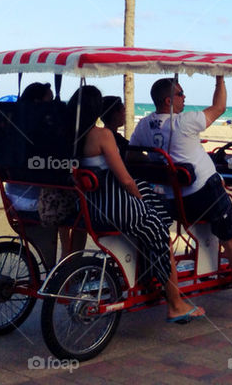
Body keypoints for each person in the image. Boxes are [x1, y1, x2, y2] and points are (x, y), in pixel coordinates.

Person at [47, 85, 202, 323]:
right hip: (114, 208)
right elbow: (126, 180)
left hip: (87, 207)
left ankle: (147, 272)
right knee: (161, 233)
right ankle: (176, 304)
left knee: (153, 207)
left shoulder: (65, 135)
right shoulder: (102, 136)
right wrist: (140, 201)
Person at [130, 76, 232, 310]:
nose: (184, 97)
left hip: (171, 198)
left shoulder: (144, 125)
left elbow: (134, 154)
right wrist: (220, 80)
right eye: (180, 93)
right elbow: (219, 107)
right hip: (203, 193)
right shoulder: (183, 122)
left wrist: (161, 165)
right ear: (168, 100)